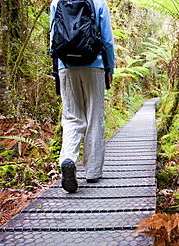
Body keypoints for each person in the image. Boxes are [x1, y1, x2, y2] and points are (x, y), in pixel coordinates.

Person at [50, 0, 115, 193]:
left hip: (66, 66)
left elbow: (53, 37)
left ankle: (68, 158)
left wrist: (58, 66)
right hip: (94, 64)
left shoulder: (56, 2)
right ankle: (93, 172)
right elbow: (108, 40)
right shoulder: (99, 2)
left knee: (71, 117)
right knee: (95, 116)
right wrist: (109, 67)